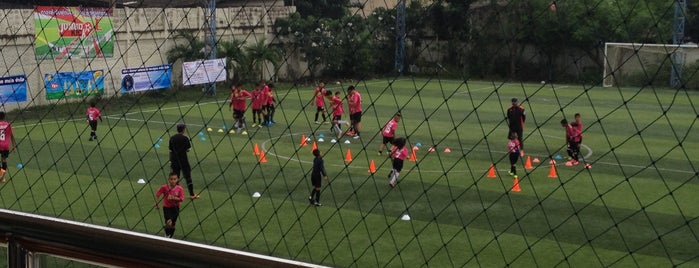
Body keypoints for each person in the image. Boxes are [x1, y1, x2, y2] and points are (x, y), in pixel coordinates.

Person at [169, 123, 199, 199]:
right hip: (183, 160)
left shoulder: (172, 138)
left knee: (175, 178)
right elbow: (188, 149)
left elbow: (170, 151)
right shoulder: (185, 138)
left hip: (174, 160)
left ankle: (174, 195)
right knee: (188, 177)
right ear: (183, 130)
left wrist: (170, 161)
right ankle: (192, 195)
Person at [155, 172, 185, 238]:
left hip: (175, 208)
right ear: (168, 179)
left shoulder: (180, 189)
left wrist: (174, 198)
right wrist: (157, 203)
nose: (173, 181)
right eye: (171, 179)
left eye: (174, 179)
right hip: (167, 208)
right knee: (168, 222)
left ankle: (170, 236)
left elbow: (182, 199)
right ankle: (167, 235)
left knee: (173, 224)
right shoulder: (164, 187)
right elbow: (158, 194)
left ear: (177, 179)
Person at [0, 112, 16, 183]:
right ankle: (3, 177)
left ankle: (1, 173)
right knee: (4, 160)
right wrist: (14, 146)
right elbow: (12, 136)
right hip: (5, 145)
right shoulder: (8, 125)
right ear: (4, 117)